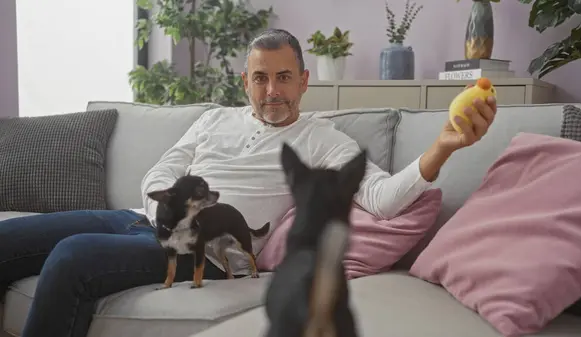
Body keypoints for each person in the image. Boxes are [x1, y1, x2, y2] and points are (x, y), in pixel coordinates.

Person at [0, 29, 497, 337]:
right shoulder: (215, 120)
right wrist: (160, 215)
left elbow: (383, 200)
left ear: (304, 81)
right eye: (261, 78)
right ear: (246, 82)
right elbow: (160, 171)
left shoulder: (324, 141)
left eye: (283, 78)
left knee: (72, 256)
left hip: (208, 251)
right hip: (143, 219)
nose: (272, 91)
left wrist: (443, 147)